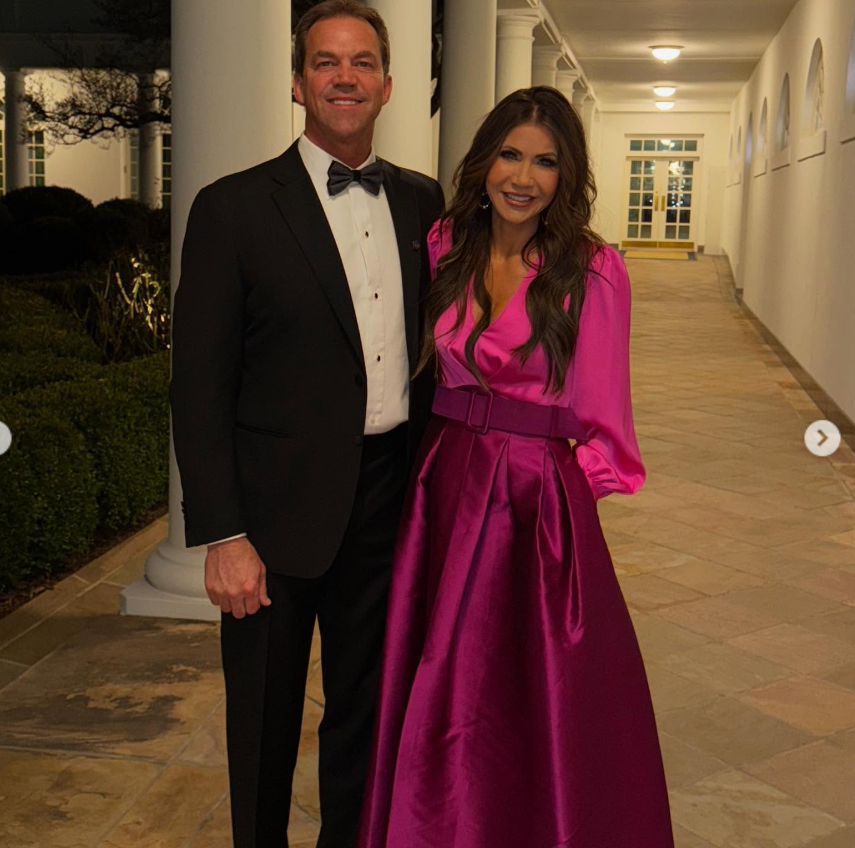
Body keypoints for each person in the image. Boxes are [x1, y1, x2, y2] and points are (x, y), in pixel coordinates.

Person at [357, 86, 674, 847]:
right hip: (444, 478)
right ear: (484, 158)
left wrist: (563, 506)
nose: (523, 176)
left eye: (545, 161)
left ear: (567, 177)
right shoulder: (444, 245)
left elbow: (607, 420)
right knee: (439, 677)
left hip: (536, 498)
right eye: (510, 153)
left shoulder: (593, 271)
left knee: (533, 687)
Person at [169, 2, 444, 846]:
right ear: (298, 83)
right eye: (325, 62)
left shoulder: (423, 204)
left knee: (365, 715)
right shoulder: (232, 209)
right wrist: (223, 533)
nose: (344, 77)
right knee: (262, 723)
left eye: (362, 62)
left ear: (388, 85)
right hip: (273, 516)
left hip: (387, 503)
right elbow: (198, 386)